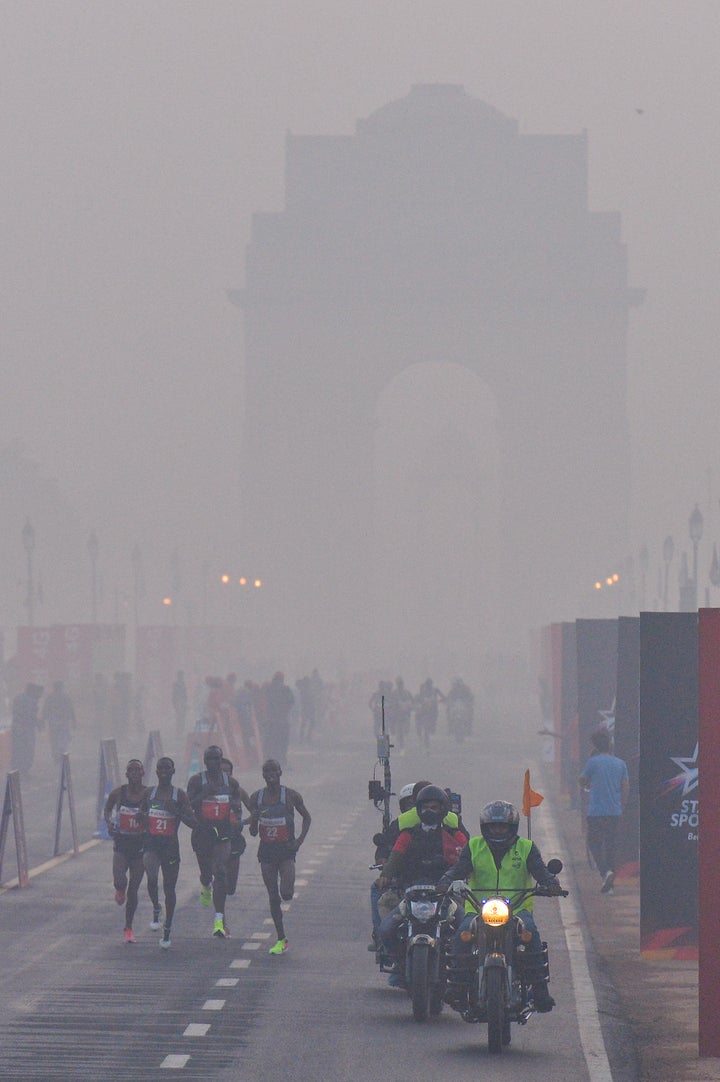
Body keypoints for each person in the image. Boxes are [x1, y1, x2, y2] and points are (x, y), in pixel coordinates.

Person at [438, 800, 561, 1012]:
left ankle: (541, 991)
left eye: (502, 826)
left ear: (511, 827)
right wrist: (445, 881)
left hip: (518, 908)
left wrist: (551, 883)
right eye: (493, 826)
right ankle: (457, 987)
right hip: (478, 907)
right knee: (462, 935)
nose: (498, 830)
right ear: (485, 828)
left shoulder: (527, 847)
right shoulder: (474, 846)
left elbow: (540, 870)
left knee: (530, 934)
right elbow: (459, 869)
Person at [377, 786, 467, 984]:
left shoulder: (454, 834)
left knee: (466, 926)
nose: (429, 812)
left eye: (434, 807)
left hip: (446, 895)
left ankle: (461, 968)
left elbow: (468, 857)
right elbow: (395, 856)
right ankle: (400, 961)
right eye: (425, 807)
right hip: (412, 894)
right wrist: (386, 875)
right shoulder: (408, 834)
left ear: (443, 809)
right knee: (386, 929)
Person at [248, 758, 311, 955]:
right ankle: (281, 937)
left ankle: (282, 934)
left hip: (285, 852)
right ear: (263, 775)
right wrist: (254, 819)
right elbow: (252, 832)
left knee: (287, 894)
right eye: (266, 772)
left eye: (273, 771)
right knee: (274, 897)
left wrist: (299, 841)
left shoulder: (291, 796)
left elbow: (307, 817)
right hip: (266, 853)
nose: (270, 775)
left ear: (280, 772)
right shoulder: (256, 798)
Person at [187, 744, 251, 938]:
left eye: (217, 758)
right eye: (210, 759)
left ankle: (219, 920)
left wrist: (239, 820)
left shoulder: (231, 783)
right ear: (205, 761)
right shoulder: (196, 780)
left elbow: (237, 805)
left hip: (223, 834)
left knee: (221, 872)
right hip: (202, 833)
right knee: (208, 874)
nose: (214, 762)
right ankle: (205, 883)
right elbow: (187, 805)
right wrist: (204, 794)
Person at [140, 756, 198, 948]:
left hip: (170, 848)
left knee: (169, 888)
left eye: (168, 768)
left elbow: (193, 823)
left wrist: (178, 813)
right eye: (160, 768)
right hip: (151, 845)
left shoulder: (179, 795)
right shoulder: (149, 793)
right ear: (156, 772)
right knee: (151, 877)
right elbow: (140, 815)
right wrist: (144, 818)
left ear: (173, 772)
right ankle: (156, 907)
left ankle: (167, 928)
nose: (164, 772)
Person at [579, 726, 629, 894]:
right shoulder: (620, 764)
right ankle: (610, 885)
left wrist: (587, 783)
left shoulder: (592, 762)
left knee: (594, 843)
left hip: (596, 812)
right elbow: (625, 787)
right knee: (611, 846)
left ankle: (605, 872)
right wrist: (622, 805)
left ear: (595, 746)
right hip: (614, 811)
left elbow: (582, 781)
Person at [104, 759, 150, 944]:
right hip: (122, 844)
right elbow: (107, 811)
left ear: (142, 773)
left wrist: (145, 818)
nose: (134, 774)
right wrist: (109, 823)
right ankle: (119, 889)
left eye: (137, 770)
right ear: (126, 774)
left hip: (140, 846)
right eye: (130, 770)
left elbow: (156, 811)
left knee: (134, 889)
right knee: (120, 879)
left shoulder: (148, 794)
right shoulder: (118, 793)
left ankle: (128, 927)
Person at [221, 756, 248, 913]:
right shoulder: (207, 790)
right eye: (221, 772)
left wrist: (244, 823)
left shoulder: (238, 791)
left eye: (228, 772)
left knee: (230, 888)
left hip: (234, 840)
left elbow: (254, 810)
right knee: (220, 880)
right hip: (215, 840)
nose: (225, 775)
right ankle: (220, 920)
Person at [11, 683, 43, 774]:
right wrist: (38, 723)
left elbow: (15, 712)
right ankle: (24, 769)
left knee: (17, 748)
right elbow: (30, 715)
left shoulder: (18, 698)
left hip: (16, 727)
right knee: (28, 750)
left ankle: (16, 768)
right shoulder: (31, 701)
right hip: (27, 729)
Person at [41, 680, 76, 764]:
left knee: (54, 740)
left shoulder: (50, 697)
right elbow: (71, 709)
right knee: (63, 740)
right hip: (64, 722)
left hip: (53, 722)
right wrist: (74, 720)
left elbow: (45, 709)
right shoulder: (66, 697)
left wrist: (43, 720)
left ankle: (56, 756)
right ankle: (62, 755)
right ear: (62, 687)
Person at [264, 672, 294, 764]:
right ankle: (282, 760)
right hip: (282, 720)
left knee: (272, 741)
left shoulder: (269, 689)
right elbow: (291, 702)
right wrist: (285, 711)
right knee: (283, 742)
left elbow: (266, 702)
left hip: (271, 720)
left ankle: (271, 759)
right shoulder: (286, 689)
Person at [413, 678, 445, 749]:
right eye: (427, 685)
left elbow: (443, 697)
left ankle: (430, 730)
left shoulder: (435, 690)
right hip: (424, 712)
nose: (428, 686)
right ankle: (423, 739)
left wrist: (439, 701)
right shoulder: (422, 692)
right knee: (424, 728)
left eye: (429, 684)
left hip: (432, 711)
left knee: (431, 726)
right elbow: (416, 702)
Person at [171, 671, 188, 736]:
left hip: (182, 703)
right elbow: (174, 695)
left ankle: (180, 732)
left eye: (182, 675)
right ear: (179, 676)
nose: (182, 677)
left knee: (182, 718)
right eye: (181, 675)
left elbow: (185, 694)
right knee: (179, 719)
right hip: (179, 702)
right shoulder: (176, 684)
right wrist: (175, 704)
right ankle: (178, 733)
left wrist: (186, 703)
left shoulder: (182, 683)